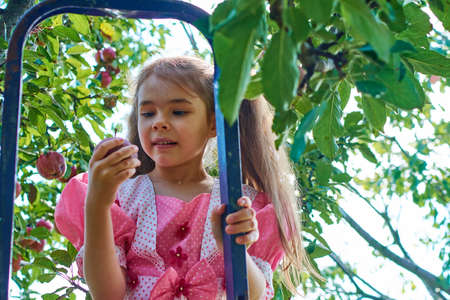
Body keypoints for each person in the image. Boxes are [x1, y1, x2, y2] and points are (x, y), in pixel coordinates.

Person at [55, 56, 314, 300]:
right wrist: (98, 204)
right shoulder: (123, 197)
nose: (159, 122)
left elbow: (252, 295)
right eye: (148, 113)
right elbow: (107, 294)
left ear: (214, 124)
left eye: (178, 112)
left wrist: (233, 249)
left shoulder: (239, 202)